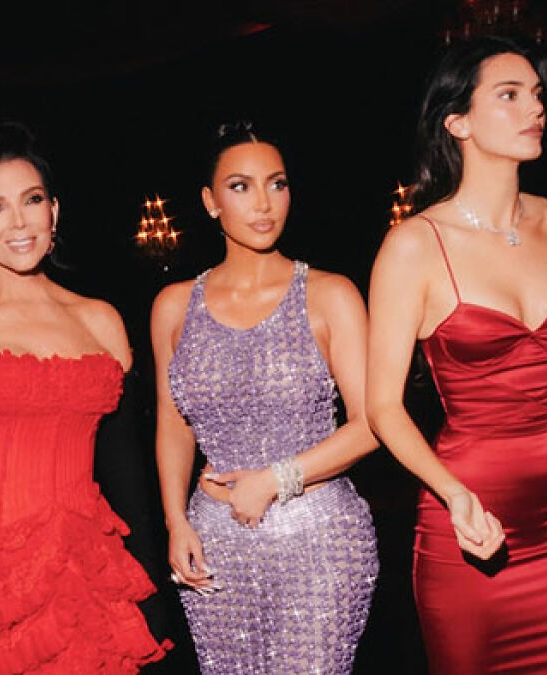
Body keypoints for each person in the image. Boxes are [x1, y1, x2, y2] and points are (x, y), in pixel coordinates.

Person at [366, 36, 547, 673]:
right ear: (457, 122)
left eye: (536, 95)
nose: (534, 108)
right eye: (509, 95)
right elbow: (382, 408)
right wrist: (452, 494)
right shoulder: (414, 246)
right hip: (469, 509)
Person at [0, 122, 169, 674]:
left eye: (32, 200)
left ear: (55, 211)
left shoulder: (101, 320)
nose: (19, 222)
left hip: (86, 580)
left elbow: (127, 476)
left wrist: (151, 588)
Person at [151, 121, 379, 674]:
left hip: (319, 541)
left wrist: (277, 479)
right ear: (210, 202)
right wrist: (176, 522)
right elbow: (174, 426)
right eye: (240, 186)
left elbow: (372, 424)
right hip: (216, 544)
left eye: (277, 184)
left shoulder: (331, 294)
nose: (263, 203)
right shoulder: (173, 306)